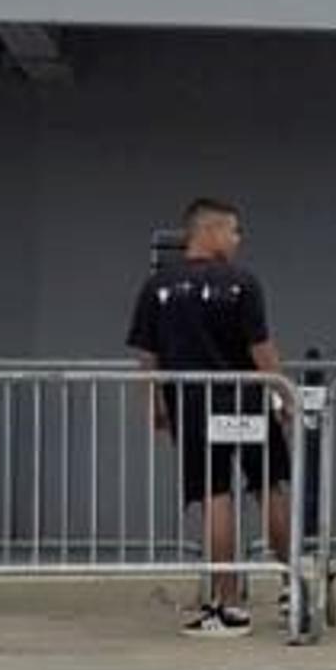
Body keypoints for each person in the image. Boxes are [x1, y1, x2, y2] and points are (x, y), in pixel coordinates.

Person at [132, 196, 293, 640]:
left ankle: (229, 605)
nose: (238, 240)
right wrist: (285, 396)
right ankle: (293, 582)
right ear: (210, 231)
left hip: (195, 406)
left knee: (214, 496)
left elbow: (148, 354)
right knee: (269, 487)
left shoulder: (158, 287)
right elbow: (262, 349)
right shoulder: (242, 283)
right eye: (234, 231)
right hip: (247, 402)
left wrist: (155, 403)